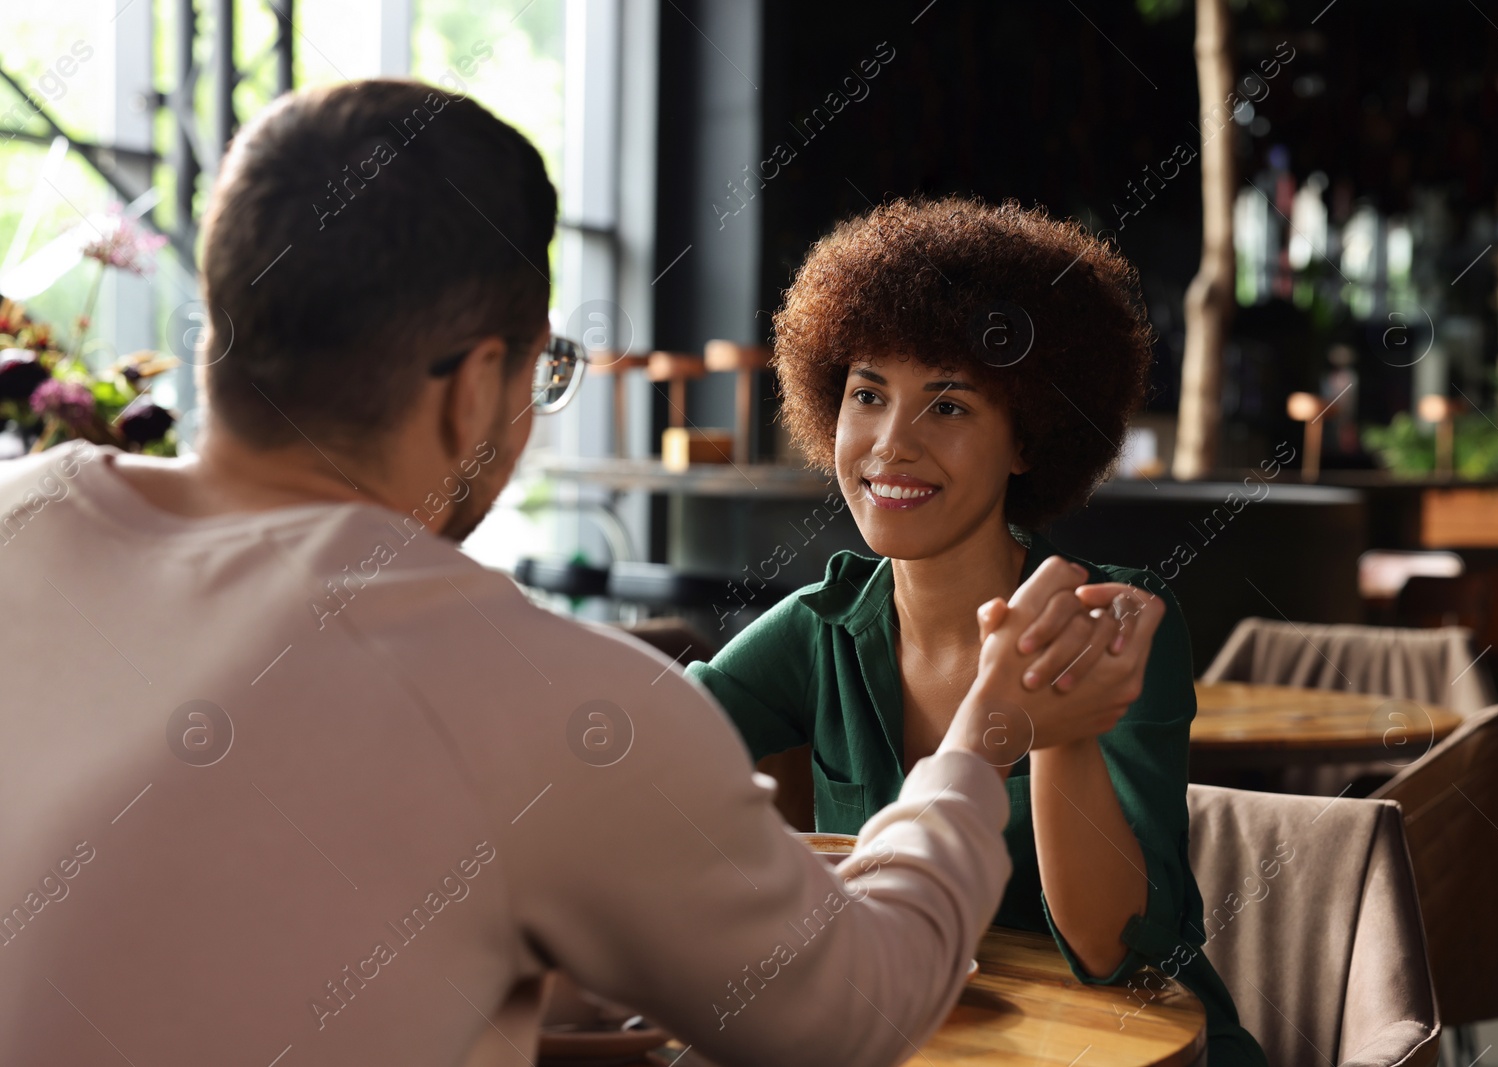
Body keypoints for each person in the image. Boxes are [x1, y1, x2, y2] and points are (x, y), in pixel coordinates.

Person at [0, 81, 1143, 1067]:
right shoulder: (548, 695)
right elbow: (856, 1010)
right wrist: (985, 736)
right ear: (470, 387)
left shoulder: (22, 516)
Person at [687, 197, 1269, 1065]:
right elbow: (651, 752)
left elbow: (1110, 948)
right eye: (867, 394)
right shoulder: (821, 629)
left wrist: (1055, 723)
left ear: (1028, 439)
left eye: (949, 407)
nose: (891, 444)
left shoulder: (1112, 624)